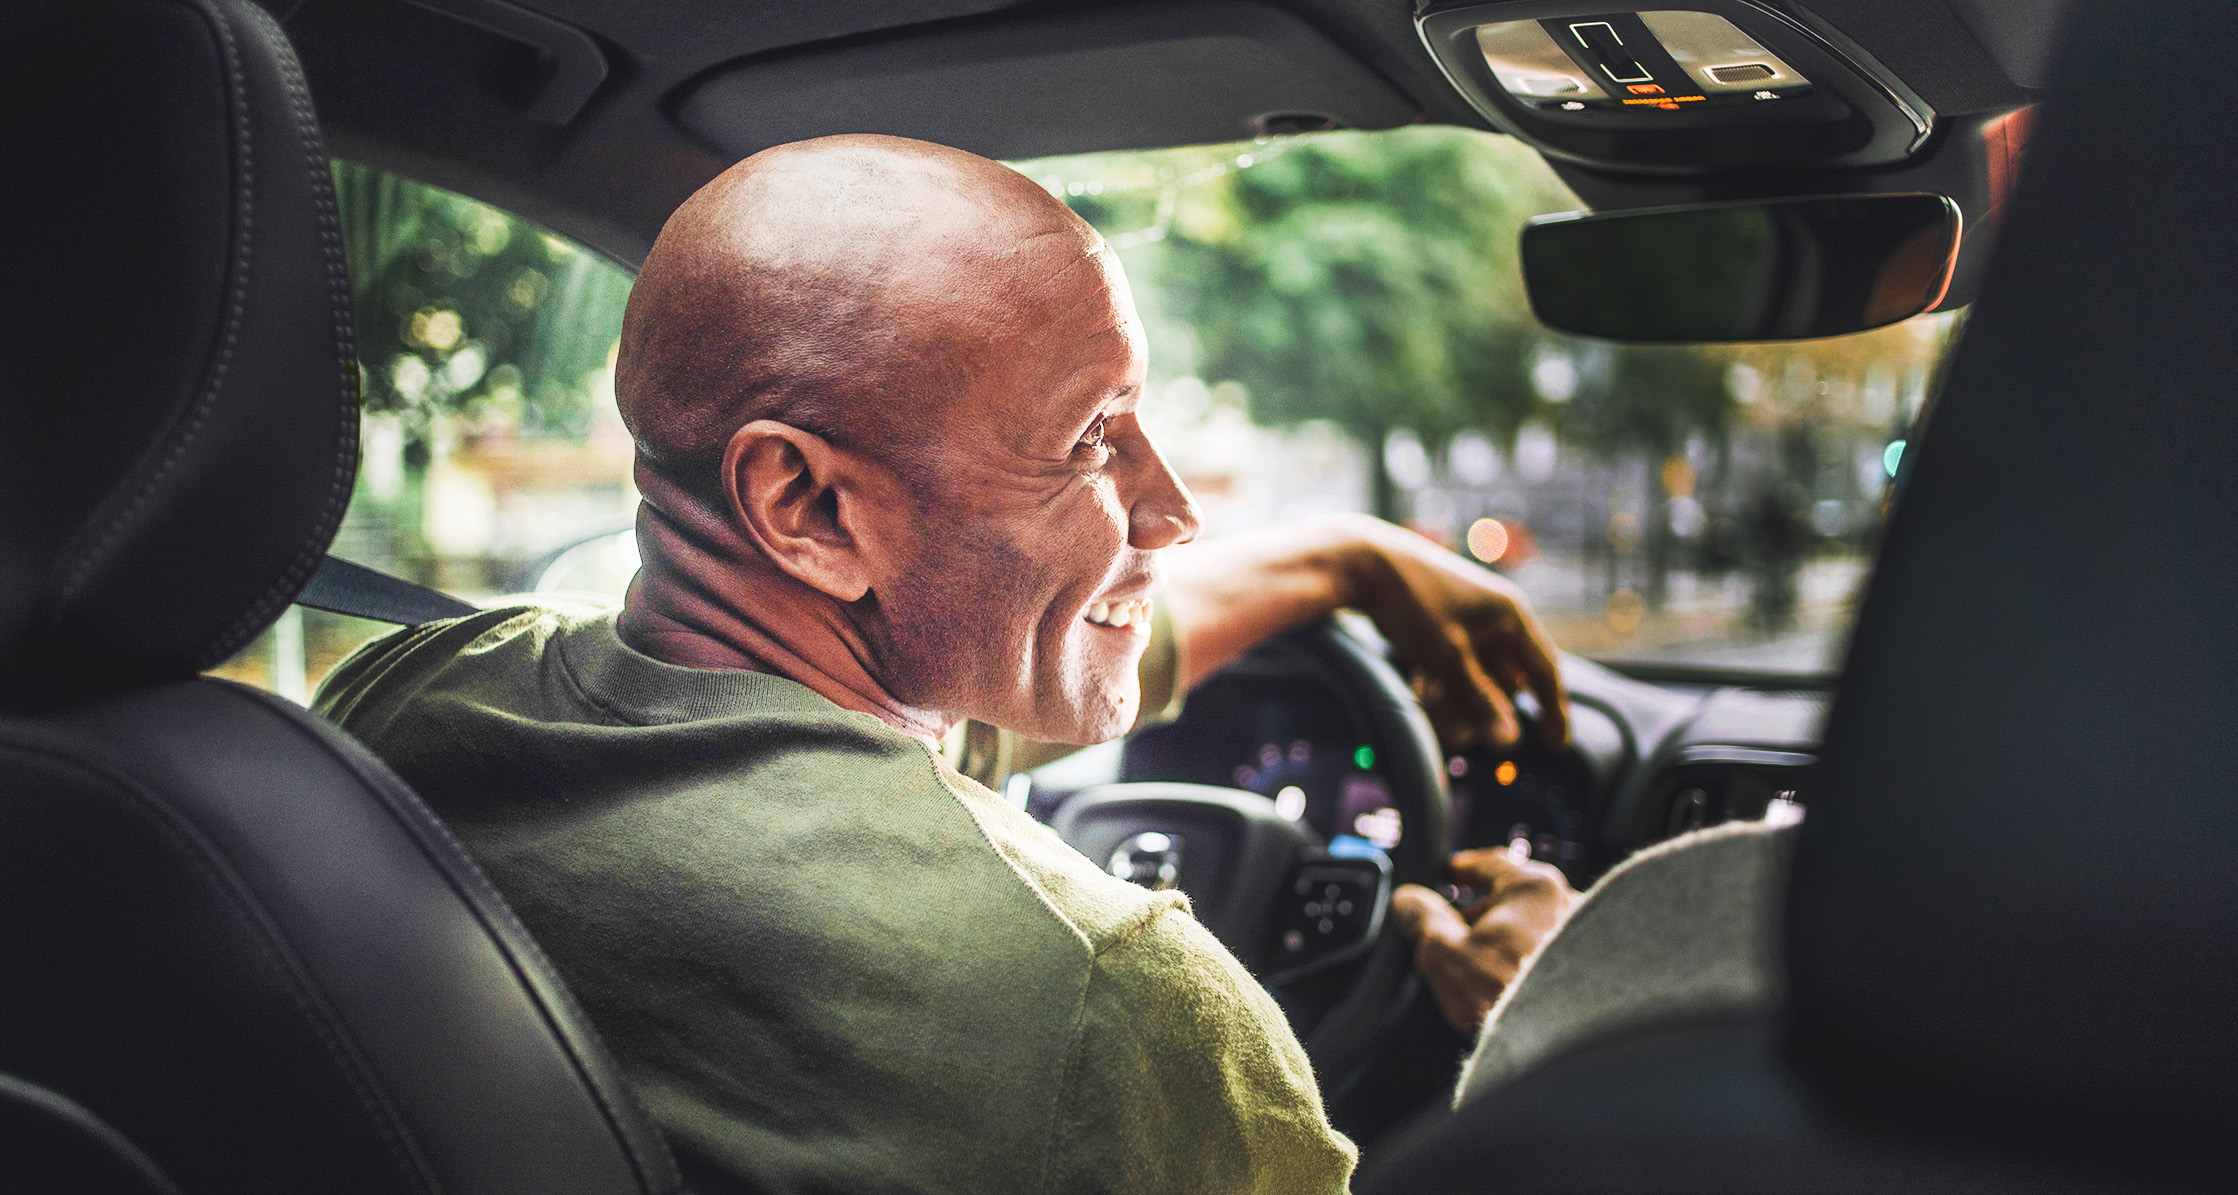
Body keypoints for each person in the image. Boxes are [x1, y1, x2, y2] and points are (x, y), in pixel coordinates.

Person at [316, 133, 1576, 1194]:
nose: (1176, 510)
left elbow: (889, 697)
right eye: (1092, 441)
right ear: (806, 509)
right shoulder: (1104, 997)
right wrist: (1559, 1032)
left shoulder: (403, 702)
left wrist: (1345, 561)